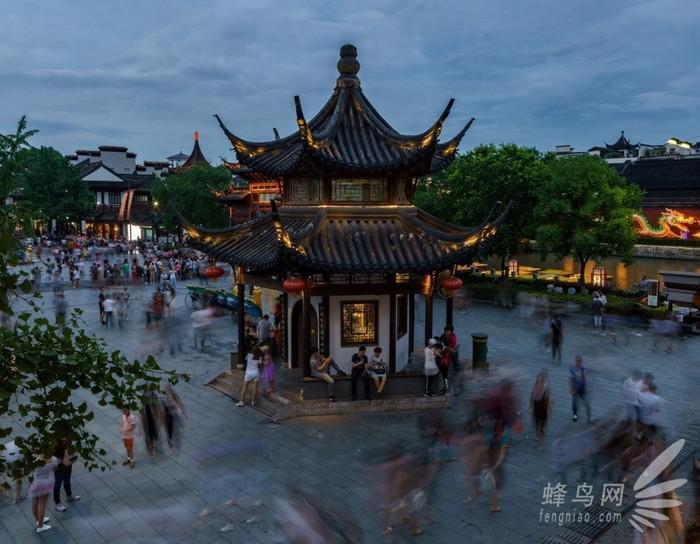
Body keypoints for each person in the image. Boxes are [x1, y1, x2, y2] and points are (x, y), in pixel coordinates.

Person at [29, 450, 58, 533]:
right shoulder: (53, 459)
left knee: (35, 501)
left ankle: (38, 520)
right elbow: (55, 469)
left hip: (36, 482)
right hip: (46, 483)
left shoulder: (34, 458)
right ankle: (40, 526)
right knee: (42, 504)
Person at [53, 438, 79, 512]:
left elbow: (70, 448)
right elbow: (52, 453)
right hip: (59, 466)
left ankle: (69, 496)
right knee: (58, 484)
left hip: (68, 463)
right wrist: (58, 460)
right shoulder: (56, 442)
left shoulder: (68, 439)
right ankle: (57, 503)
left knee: (67, 480)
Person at [530, 370, 551, 449]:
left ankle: (541, 442)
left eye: (543, 380)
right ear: (538, 380)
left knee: (542, 427)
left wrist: (549, 408)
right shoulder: (535, 387)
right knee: (536, 424)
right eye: (540, 379)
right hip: (536, 408)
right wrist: (530, 406)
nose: (541, 381)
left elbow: (548, 400)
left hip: (543, 409)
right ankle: (537, 434)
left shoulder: (546, 389)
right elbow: (532, 397)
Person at [569, 355, 591, 423]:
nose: (578, 362)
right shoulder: (572, 369)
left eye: (580, 361)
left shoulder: (583, 369)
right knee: (574, 403)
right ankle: (575, 415)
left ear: (581, 361)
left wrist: (585, 388)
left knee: (586, 403)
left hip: (582, 389)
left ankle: (589, 416)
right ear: (575, 361)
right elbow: (571, 379)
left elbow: (584, 379)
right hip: (575, 388)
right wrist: (571, 388)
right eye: (577, 361)